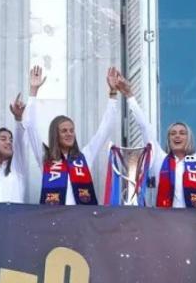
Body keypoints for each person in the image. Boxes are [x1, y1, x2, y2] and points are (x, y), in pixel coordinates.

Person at [121, 72, 196, 208]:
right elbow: (144, 127)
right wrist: (129, 95)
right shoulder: (159, 159)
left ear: (189, 138)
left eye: (182, 133)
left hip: (193, 223)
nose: (177, 136)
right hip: (163, 222)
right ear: (168, 139)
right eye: (173, 133)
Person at [26, 66, 123, 206]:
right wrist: (33, 91)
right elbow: (30, 126)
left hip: (82, 221)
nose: (69, 134)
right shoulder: (45, 157)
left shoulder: (85, 156)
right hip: (55, 221)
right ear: (55, 134)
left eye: (72, 130)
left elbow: (105, 129)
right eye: (64, 131)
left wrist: (113, 94)